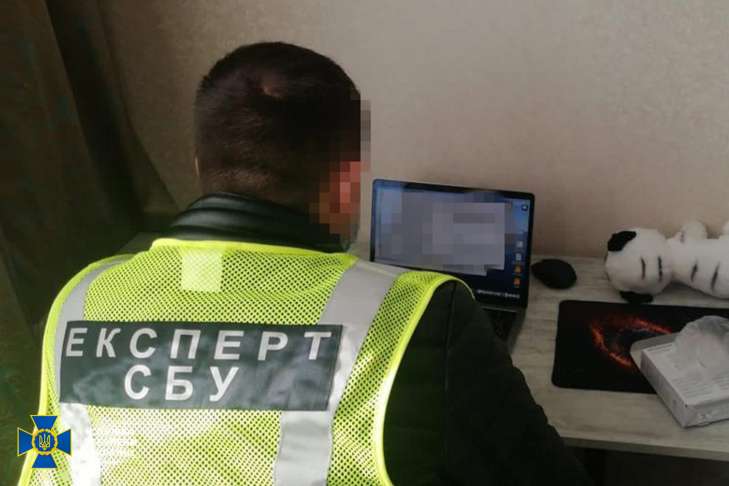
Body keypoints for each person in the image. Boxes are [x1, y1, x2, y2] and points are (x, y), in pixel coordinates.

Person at [21, 42, 592, 485]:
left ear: (199, 166)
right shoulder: (419, 316)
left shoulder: (77, 302)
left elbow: (44, 460)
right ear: (347, 184)